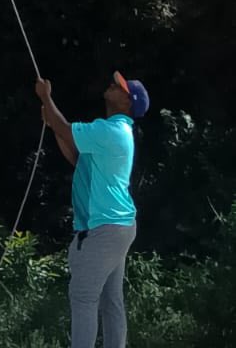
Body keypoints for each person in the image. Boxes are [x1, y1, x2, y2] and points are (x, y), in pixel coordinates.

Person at [35, 71, 150, 348]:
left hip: (104, 228)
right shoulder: (114, 132)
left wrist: (46, 98)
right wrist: (53, 123)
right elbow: (75, 155)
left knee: (84, 297)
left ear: (127, 102)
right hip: (119, 226)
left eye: (120, 87)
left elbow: (67, 130)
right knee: (111, 300)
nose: (112, 85)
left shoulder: (110, 131)